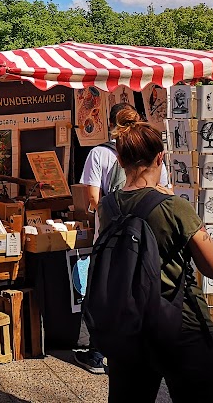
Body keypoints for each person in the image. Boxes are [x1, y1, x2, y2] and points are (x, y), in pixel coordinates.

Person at [101, 109, 213, 402]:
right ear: (161, 158)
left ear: (119, 160)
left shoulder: (108, 207)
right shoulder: (173, 207)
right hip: (181, 324)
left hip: (130, 326)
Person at [75, 103, 170, 374]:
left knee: (108, 290)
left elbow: (93, 199)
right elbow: (163, 188)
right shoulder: (152, 153)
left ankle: (97, 352)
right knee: (142, 285)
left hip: (109, 234)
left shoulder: (99, 153)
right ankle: (142, 346)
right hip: (146, 232)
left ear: (109, 121)